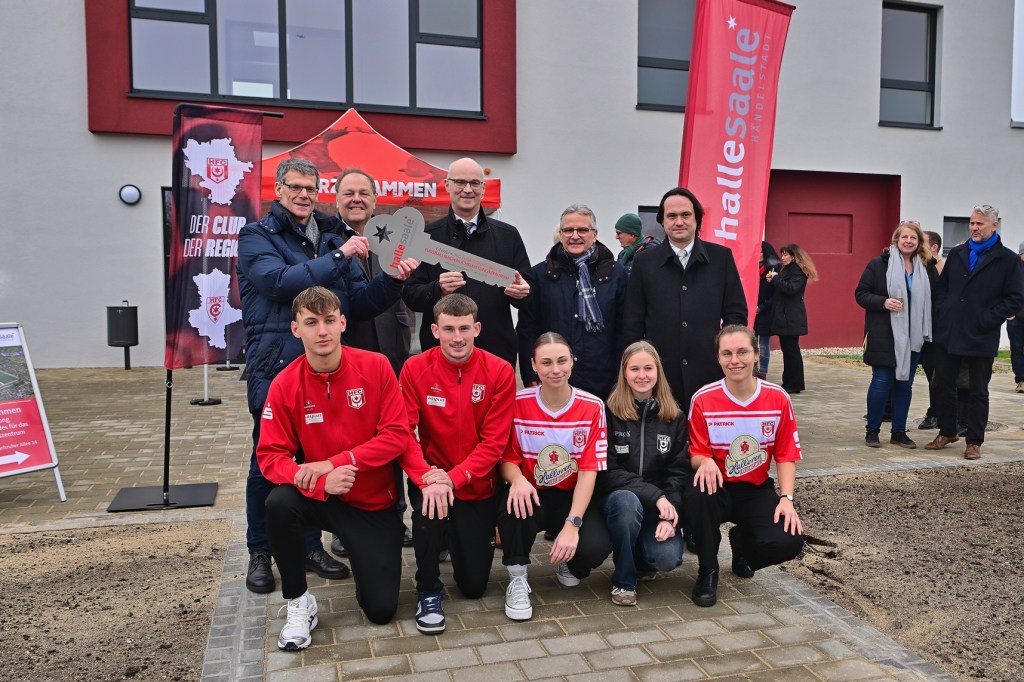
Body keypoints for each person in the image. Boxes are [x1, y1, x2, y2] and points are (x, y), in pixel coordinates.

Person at [237, 158, 419, 594]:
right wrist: (340, 255)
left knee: (317, 455)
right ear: (279, 190)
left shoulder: (333, 236)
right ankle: (260, 550)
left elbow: (360, 303)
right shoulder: (257, 236)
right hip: (276, 367)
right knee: (268, 464)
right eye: (295, 187)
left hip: (326, 373)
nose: (303, 195)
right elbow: (279, 282)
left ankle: (309, 547)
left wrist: (393, 280)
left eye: (310, 188)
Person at [256, 287, 452, 650]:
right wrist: (319, 481)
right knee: (279, 503)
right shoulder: (285, 383)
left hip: (372, 505)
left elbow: (396, 435)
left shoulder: (376, 366)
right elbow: (270, 457)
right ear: (296, 329)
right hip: (324, 498)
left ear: (343, 323)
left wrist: (335, 463)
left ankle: (366, 563)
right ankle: (298, 602)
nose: (322, 331)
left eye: (329, 320)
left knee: (381, 610)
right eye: (311, 323)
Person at [399, 294, 516, 634]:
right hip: (432, 478)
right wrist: (426, 478)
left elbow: (494, 443)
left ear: (477, 328)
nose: (457, 337)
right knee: (428, 513)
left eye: (464, 328)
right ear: (435, 330)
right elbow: (404, 433)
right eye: (449, 329)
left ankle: (453, 534)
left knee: (473, 587)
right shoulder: (414, 368)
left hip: (476, 483)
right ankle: (428, 589)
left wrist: (452, 478)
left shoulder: (500, 370)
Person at [685, 325, 805, 607]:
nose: (734, 360)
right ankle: (708, 571)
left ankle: (743, 545)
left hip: (755, 488)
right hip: (716, 487)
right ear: (718, 358)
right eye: (726, 353)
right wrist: (705, 461)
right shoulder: (703, 398)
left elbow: (786, 455)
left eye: (742, 352)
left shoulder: (778, 397)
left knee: (788, 541)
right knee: (696, 495)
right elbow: (695, 453)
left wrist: (787, 499)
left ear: (756, 354)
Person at [497, 332, 612, 621]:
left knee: (595, 547)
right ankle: (517, 578)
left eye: (562, 360)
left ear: (572, 361)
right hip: (532, 492)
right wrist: (517, 480)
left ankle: (569, 562)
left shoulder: (593, 405)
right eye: (546, 363)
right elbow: (507, 459)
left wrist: (573, 525)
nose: (555, 369)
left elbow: (588, 471)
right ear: (533, 365)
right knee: (513, 503)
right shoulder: (517, 402)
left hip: (571, 495)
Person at [332, 167, 415, 555]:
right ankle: (344, 525)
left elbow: (408, 288)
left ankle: (396, 516)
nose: (356, 199)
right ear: (336, 199)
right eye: (348, 193)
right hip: (347, 353)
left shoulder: (391, 238)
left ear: (375, 200)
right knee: (348, 439)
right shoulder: (327, 240)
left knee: (392, 436)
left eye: (363, 193)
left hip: (391, 351)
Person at [622, 187, 747, 412]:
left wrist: (727, 356)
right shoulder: (644, 262)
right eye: (671, 216)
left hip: (710, 371)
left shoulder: (721, 258)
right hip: (660, 375)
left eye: (686, 215)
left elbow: (735, 316)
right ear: (662, 221)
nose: (679, 222)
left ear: (697, 219)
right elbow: (633, 320)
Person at [402, 157, 533, 368]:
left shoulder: (508, 236)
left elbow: (529, 290)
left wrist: (522, 292)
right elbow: (410, 295)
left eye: (474, 183)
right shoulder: (425, 236)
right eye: (460, 182)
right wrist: (437, 289)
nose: (468, 190)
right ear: (447, 185)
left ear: (483, 188)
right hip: (440, 356)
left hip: (496, 353)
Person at [925, 205, 1024, 460]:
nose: (974, 228)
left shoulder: (1008, 259)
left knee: (978, 390)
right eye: (972, 223)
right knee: (943, 384)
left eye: (980, 223)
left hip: (981, 334)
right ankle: (948, 431)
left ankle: (974, 441)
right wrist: (943, 310)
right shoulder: (958, 253)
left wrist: (987, 319)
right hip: (950, 331)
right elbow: (943, 287)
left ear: (994, 226)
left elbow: (1015, 298)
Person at [599, 341, 689, 606]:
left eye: (648, 368)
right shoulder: (608, 411)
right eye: (634, 369)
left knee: (667, 558)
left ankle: (640, 555)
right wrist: (656, 496)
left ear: (658, 371)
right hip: (618, 500)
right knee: (626, 503)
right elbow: (608, 471)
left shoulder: (674, 416)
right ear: (624, 373)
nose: (642, 375)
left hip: (656, 504)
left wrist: (670, 514)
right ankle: (624, 581)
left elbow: (678, 473)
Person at [517, 204, 627, 399]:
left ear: (595, 234)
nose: (575, 236)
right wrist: (530, 373)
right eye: (568, 230)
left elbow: (625, 329)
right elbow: (528, 327)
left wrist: (622, 375)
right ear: (561, 234)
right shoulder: (539, 275)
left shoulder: (617, 274)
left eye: (582, 230)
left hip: (604, 381)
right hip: (553, 379)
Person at [855, 222, 935, 449]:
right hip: (884, 334)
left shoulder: (925, 267)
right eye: (905, 237)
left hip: (913, 336)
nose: (909, 241)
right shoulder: (879, 264)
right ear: (896, 240)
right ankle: (872, 431)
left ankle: (899, 432)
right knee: (881, 381)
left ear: (919, 242)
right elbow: (861, 294)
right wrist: (883, 302)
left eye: (913, 238)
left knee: (904, 384)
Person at [766, 243, 817, 394]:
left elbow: (790, 289)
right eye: (782, 254)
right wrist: (773, 279)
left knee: (791, 351)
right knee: (788, 351)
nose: (782, 257)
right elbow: (783, 287)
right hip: (786, 316)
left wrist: (775, 278)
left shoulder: (797, 271)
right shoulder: (788, 269)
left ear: (794, 256)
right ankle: (789, 382)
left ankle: (794, 384)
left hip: (791, 316)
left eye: (785, 254)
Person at [917, 230, 944, 430]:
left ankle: (936, 413)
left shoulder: (941, 269)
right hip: (917, 331)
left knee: (936, 376)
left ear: (933, 247)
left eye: (922, 242)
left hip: (936, 332)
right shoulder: (918, 267)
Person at [755, 242, 781, 379]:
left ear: (765, 253)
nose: (756, 253)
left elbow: (775, 295)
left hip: (765, 311)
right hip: (752, 312)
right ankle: (752, 371)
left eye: (759, 251)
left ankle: (762, 373)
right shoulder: (750, 268)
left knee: (764, 344)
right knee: (751, 343)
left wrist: (761, 307)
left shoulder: (772, 269)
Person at [1006, 241, 1024, 394]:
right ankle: (1021, 380)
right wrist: (1008, 313)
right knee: (1017, 348)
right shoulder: (1013, 267)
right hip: (1016, 317)